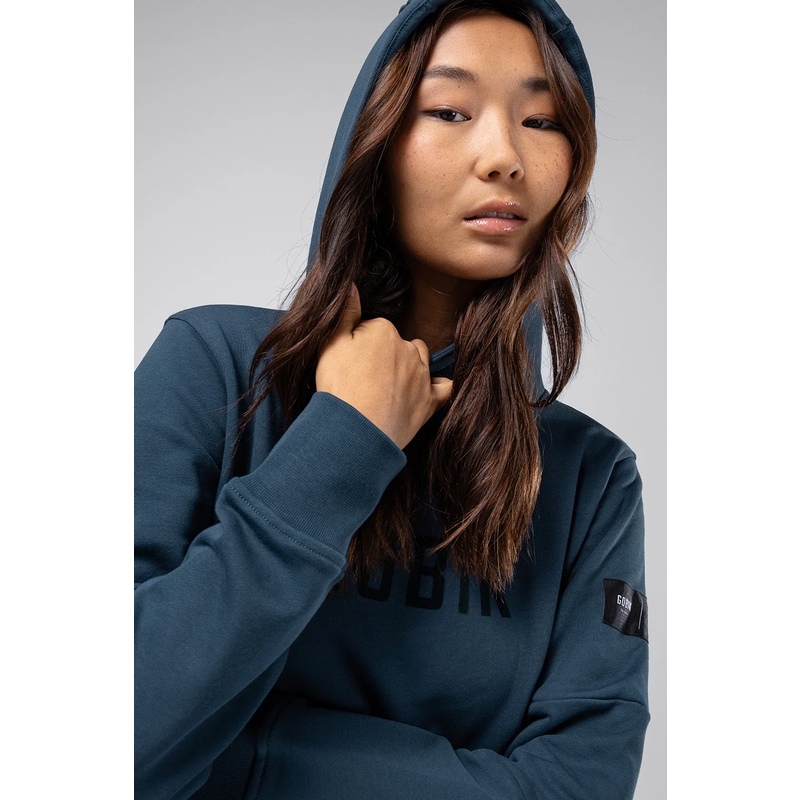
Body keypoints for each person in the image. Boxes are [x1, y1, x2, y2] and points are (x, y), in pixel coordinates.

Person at [134, 1, 650, 798]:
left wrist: (251, 756)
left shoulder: (592, 476)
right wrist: (344, 439)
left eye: (543, 121)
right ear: (373, 140)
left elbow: (581, 786)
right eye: (450, 111)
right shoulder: (215, 367)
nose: (504, 156)